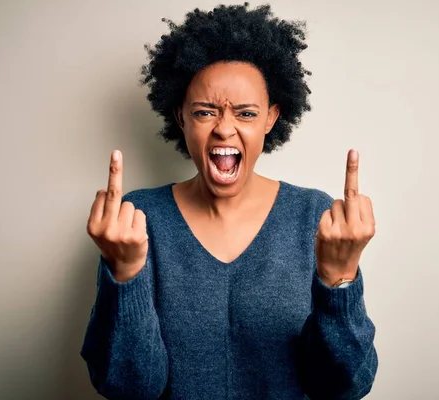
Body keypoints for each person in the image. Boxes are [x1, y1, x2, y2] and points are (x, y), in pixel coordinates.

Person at [81, 3, 378, 399]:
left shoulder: (315, 217)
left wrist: (338, 282)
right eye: (204, 112)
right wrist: (125, 275)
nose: (224, 128)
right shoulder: (136, 222)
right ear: (181, 117)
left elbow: (342, 388)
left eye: (246, 113)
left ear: (271, 118)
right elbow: (131, 388)